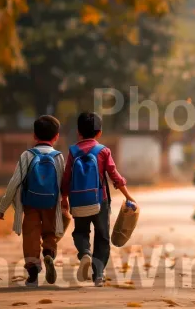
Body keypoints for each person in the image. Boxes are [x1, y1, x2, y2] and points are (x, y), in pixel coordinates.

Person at [61, 112, 137, 287]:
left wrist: (64, 198)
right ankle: (99, 275)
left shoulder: (73, 152)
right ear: (99, 132)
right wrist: (128, 196)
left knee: (80, 232)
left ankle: (85, 253)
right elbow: (114, 175)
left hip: (78, 201)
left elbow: (66, 178)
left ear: (79, 132)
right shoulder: (103, 151)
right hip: (100, 201)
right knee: (102, 237)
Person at [0, 115, 66, 287]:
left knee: (31, 235)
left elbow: (14, 183)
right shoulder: (58, 157)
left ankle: (33, 271)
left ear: (34, 136)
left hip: (30, 204)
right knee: (51, 232)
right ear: (56, 136)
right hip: (51, 204)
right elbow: (63, 183)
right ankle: (49, 251)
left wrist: (3, 206)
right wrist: (66, 202)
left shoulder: (27, 155)